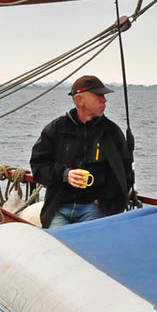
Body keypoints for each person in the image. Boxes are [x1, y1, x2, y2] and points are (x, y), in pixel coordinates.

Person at [29, 74, 135, 229]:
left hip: (94, 208)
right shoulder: (56, 129)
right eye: (99, 95)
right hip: (58, 208)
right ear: (79, 100)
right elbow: (39, 167)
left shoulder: (111, 133)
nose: (104, 100)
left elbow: (125, 174)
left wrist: (105, 201)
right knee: (58, 246)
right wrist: (65, 175)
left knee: (84, 245)